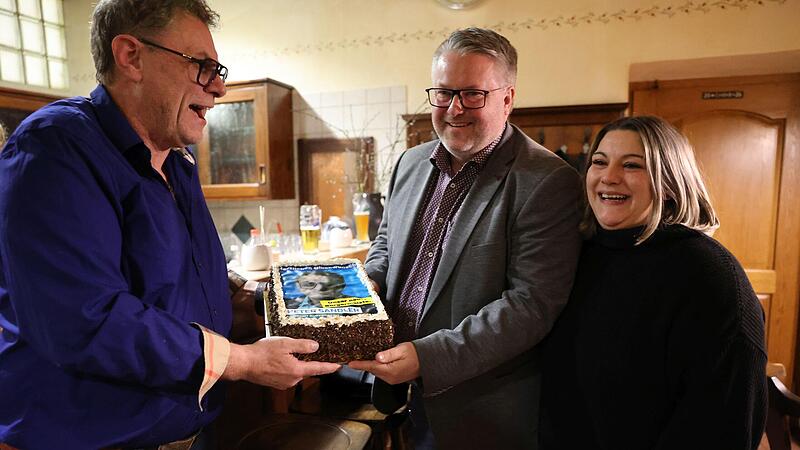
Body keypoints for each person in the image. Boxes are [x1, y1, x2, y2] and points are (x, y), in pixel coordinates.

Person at [0, 0, 339, 448]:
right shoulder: (55, 148)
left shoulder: (176, 159)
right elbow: (86, 320)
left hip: (188, 434)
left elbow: (188, 279)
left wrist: (268, 302)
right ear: (131, 56)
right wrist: (240, 361)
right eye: (201, 65)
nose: (219, 87)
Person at [349, 28, 583, 449]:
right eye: (442, 93)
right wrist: (368, 286)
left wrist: (427, 358)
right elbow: (386, 243)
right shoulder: (411, 162)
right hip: (400, 389)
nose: (454, 109)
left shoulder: (548, 181)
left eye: (473, 94)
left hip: (478, 408)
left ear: (507, 98)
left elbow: (531, 305)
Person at [539, 116, 767, 449]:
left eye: (632, 166)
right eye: (599, 162)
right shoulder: (575, 255)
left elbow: (723, 422)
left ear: (670, 183)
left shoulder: (709, 275)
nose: (609, 177)